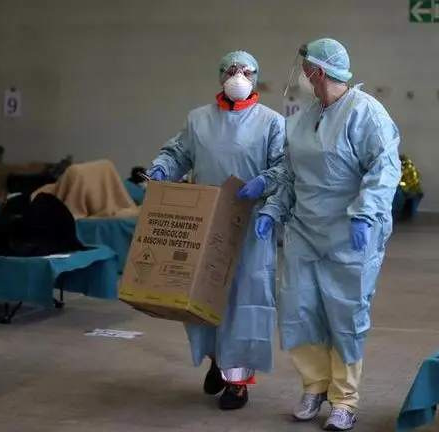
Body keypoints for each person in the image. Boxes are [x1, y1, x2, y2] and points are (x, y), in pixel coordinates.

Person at [238, 38, 401, 430]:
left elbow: (385, 168)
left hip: (350, 233)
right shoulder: (306, 116)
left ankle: (344, 400)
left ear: (319, 71)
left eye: (307, 68)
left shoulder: (365, 113)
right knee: (298, 310)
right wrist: (272, 205)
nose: (303, 75)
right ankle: (315, 386)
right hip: (305, 231)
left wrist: (365, 215)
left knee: (346, 315)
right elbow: (292, 173)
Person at [146, 50, 285, 411]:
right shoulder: (198, 120)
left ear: (256, 77)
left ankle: (238, 382)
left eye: (247, 71)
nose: (239, 77)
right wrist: (162, 169)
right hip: (206, 223)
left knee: (244, 301)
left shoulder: (271, 122)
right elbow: (178, 153)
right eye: (232, 70)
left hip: (250, 226)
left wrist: (263, 183)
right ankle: (217, 361)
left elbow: (284, 167)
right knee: (204, 295)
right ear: (221, 75)